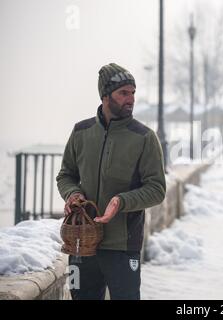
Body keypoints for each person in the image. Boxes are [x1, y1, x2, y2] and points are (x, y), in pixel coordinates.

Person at [56, 63, 166, 300]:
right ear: (105, 96)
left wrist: (121, 201)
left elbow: (157, 189)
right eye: (123, 93)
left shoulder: (144, 138)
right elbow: (66, 175)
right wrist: (72, 194)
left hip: (123, 248)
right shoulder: (80, 132)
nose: (131, 99)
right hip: (81, 245)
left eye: (133, 92)